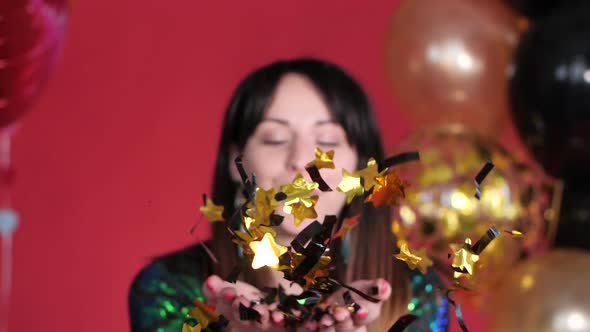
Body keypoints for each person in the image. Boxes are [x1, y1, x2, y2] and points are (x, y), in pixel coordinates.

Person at [128, 58, 448, 332]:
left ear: (362, 166)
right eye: (275, 138)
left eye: (328, 140)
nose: (302, 160)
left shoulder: (420, 293)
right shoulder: (169, 286)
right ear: (233, 159)